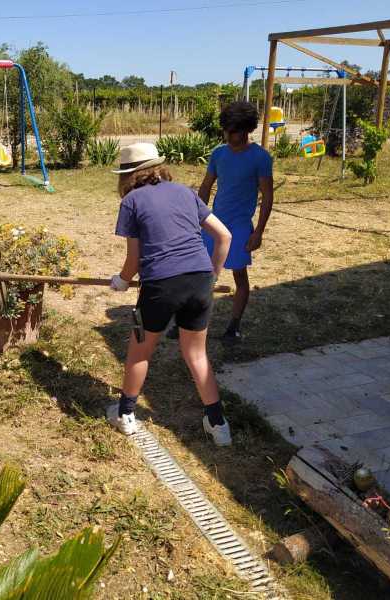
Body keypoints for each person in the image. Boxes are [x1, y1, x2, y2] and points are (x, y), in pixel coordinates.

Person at [107, 143, 233, 445]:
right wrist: (212, 276)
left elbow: (134, 261)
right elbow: (224, 236)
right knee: (196, 353)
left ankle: (125, 414)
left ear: (128, 175)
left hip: (161, 285)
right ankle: (218, 425)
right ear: (158, 168)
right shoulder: (186, 192)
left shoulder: (132, 201)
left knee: (140, 350)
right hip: (200, 280)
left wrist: (122, 281)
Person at [196, 101, 274, 342]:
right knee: (201, 274)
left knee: (239, 276)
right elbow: (206, 186)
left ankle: (234, 326)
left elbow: (268, 196)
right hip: (214, 224)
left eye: (234, 131)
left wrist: (258, 232)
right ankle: (189, 322)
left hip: (240, 227)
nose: (229, 135)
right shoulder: (219, 153)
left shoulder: (260, 157)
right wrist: (196, 217)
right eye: (226, 130)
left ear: (247, 129)